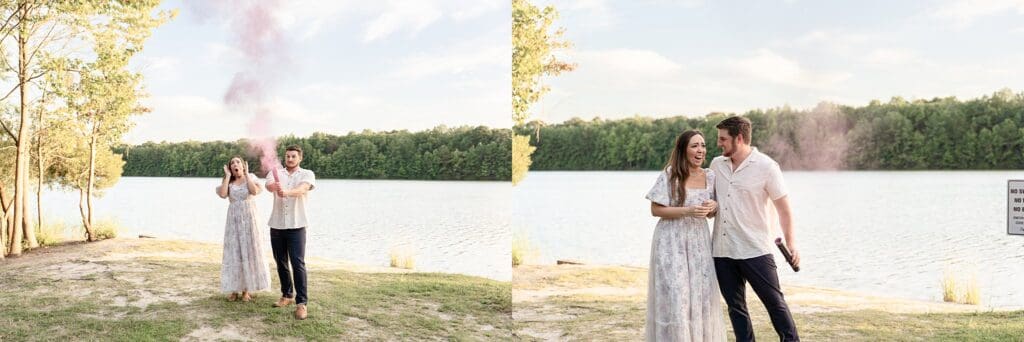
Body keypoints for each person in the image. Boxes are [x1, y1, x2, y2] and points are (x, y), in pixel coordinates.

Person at [709, 116, 800, 342]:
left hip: (755, 250)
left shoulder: (767, 167)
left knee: (775, 304)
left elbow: (785, 210)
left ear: (739, 138)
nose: (719, 143)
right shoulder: (716, 165)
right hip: (722, 251)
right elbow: (712, 204)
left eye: (723, 139)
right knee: (736, 308)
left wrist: (792, 244)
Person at [645, 130, 726, 341]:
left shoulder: (710, 176)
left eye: (703, 145)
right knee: (676, 298)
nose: (700, 150)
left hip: (699, 243)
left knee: (701, 297)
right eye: (694, 146)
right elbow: (656, 210)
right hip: (671, 242)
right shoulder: (670, 175)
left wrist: (714, 206)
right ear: (683, 150)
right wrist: (687, 211)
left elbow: (712, 213)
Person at [265, 145, 316, 320]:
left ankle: (301, 304)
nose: (290, 159)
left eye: (293, 156)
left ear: (300, 158)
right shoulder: (275, 172)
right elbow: (269, 186)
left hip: (297, 226)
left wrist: (286, 192)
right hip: (277, 226)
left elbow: (302, 189)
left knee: (298, 263)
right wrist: (274, 186)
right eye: (287, 156)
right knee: (281, 262)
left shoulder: (307, 174)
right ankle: (287, 295)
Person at [216, 156, 271, 302]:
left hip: (249, 219)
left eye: (237, 162)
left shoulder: (250, 177)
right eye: (232, 163)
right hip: (233, 220)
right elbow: (222, 194)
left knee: (248, 252)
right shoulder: (228, 181)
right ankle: (233, 289)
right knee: (234, 253)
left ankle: (246, 290)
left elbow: (253, 192)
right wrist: (227, 176)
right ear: (230, 168)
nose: (235, 164)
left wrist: (246, 174)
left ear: (242, 165)